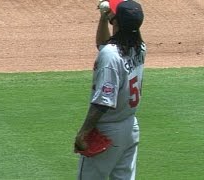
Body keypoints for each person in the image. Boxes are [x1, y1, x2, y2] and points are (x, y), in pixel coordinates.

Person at [74, 0, 146, 179]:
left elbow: (104, 100)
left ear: (117, 22)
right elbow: (104, 45)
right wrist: (104, 19)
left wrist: (84, 132)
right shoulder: (139, 47)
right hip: (130, 128)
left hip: (108, 130)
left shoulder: (111, 55)